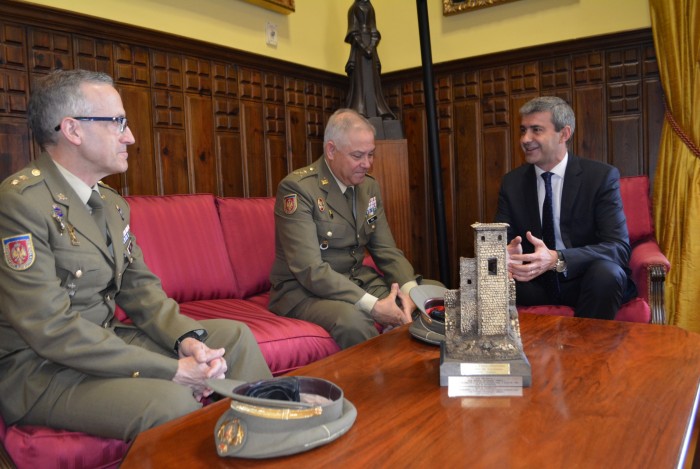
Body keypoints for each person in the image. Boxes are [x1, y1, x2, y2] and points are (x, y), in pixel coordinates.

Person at [0, 69, 272, 441]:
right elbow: (52, 331)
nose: (130, 136)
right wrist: (172, 370)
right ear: (73, 130)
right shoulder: (20, 203)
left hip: (106, 341)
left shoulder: (111, 203)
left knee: (236, 338)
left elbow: (141, 291)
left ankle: (268, 447)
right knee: (171, 403)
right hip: (44, 370)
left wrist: (187, 341)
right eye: (117, 123)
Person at [269, 108, 423, 349]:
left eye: (371, 154)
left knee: (433, 299)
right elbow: (310, 269)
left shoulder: (368, 187)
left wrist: (412, 293)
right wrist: (374, 305)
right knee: (355, 321)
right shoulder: (298, 189)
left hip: (355, 280)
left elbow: (387, 251)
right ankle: (377, 386)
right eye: (358, 155)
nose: (367, 164)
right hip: (303, 291)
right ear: (331, 150)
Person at [495, 96, 637, 320]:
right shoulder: (512, 183)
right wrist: (504, 254)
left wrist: (557, 258)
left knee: (607, 273)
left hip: (582, 281)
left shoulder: (599, 177)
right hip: (531, 282)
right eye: (523, 130)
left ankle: (587, 353)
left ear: (564, 134)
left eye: (536, 130)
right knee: (484, 276)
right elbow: (503, 240)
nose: (525, 139)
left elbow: (617, 248)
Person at [344, 0, 396, 120]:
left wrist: (372, 45)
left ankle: (379, 110)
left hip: (371, 49)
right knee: (360, 80)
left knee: (373, 81)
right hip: (358, 49)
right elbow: (352, 32)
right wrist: (363, 46)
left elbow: (374, 30)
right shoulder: (353, 9)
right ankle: (360, 110)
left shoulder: (370, 8)